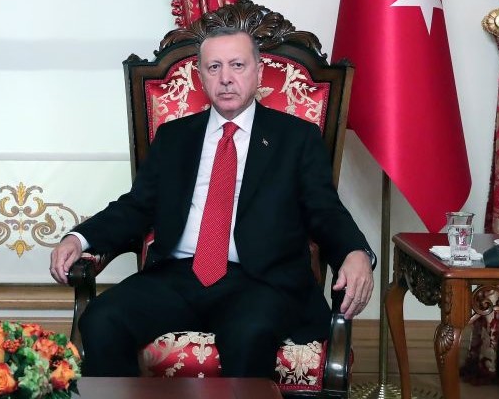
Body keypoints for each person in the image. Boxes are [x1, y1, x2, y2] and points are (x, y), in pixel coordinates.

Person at [48, 27, 374, 378]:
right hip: (179, 274)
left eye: (237, 65)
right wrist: (79, 238)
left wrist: (355, 251)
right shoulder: (174, 137)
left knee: (248, 334)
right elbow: (137, 206)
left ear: (258, 71)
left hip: (261, 280)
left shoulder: (296, 138)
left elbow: (324, 209)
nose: (226, 78)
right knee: (101, 319)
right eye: (214, 67)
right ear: (201, 75)